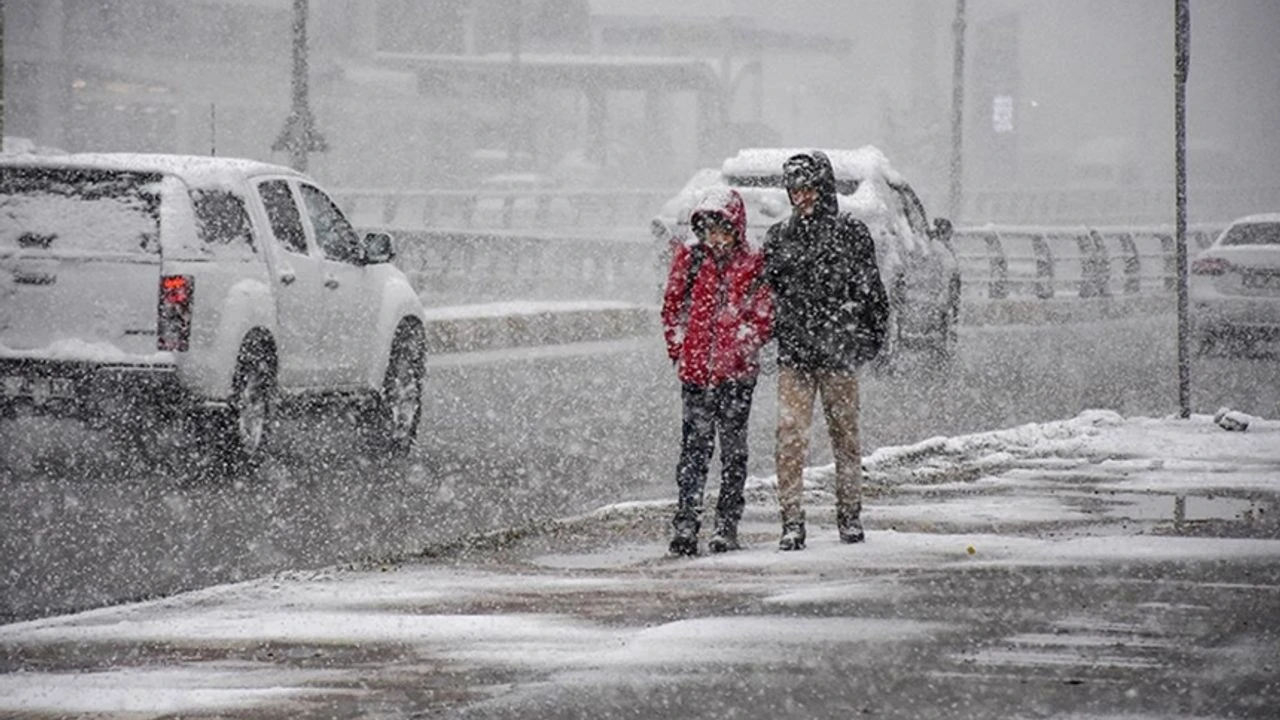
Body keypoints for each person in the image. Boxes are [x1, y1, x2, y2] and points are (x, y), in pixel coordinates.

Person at [762, 150, 889, 551]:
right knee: (790, 438)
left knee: (845, 437)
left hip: (836, 354)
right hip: (797, 355)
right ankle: (792, 520)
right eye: (795, 190)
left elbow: (872, 294)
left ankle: (849, 515)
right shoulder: (779, 237)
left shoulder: (850, 234)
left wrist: (864, 344)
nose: (802, 197)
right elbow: (768, 295)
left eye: (808, 188)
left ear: (823, 188)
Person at [661, 187, 773, 556]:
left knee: (733, 452)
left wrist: (741, 347)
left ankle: (727, 524)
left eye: (722, 230)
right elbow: (672, 307)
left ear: (736, 228)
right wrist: (680, 347)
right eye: (709, 230)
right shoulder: (691, 261)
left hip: (737, 377)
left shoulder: (753, 263)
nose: (716, 239)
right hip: (696, 375)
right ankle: (686, 522)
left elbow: (763, 315)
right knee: (693, 452)